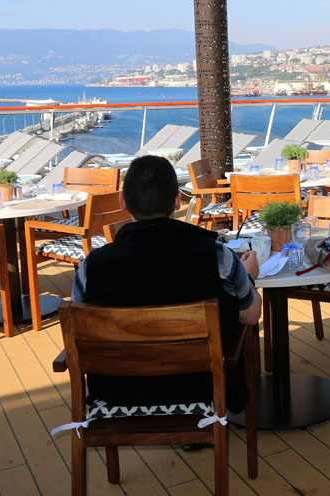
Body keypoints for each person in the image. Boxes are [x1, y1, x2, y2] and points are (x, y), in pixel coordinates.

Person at [72, 155, 261, 413]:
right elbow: (251, 315)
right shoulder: (218, 257)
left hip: (117, 396)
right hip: (202, 390)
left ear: (122, 202)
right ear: (176, 200)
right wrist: (248, 276)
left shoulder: (90, 268)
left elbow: (80, 333)